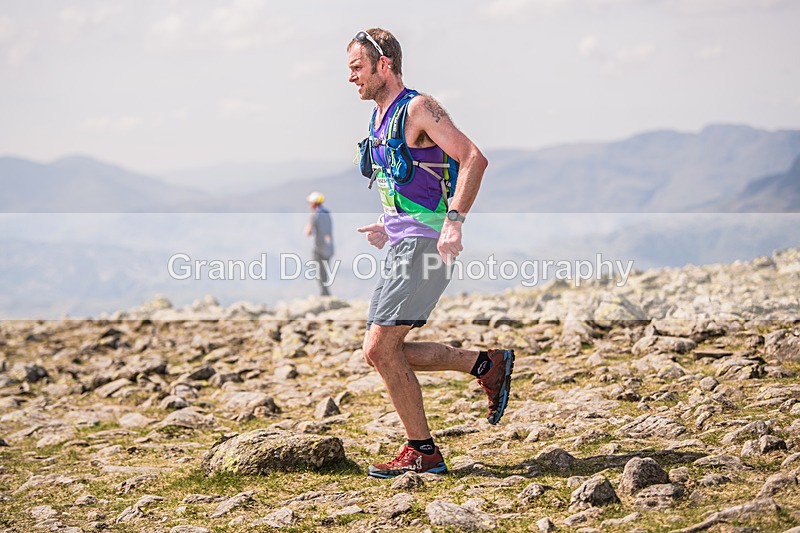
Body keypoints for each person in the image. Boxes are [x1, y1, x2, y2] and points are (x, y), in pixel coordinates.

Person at [347, 28, 515, 478]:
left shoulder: (418, 108)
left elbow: (473, 158)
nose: (351, 78)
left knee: (380, 350)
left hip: (424, 247)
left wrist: (454, 220)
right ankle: (484, 362)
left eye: (357, 68)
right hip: (404, 243)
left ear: (384, 65)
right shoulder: (380, 117)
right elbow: (412, 181)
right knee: (384, 350)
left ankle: (423, 451)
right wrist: (387, 223)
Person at [304, 191, 334, 296]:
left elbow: (308, 232)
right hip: (329, 248)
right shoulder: (327, 213)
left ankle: (324, 294)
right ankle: (325, 292)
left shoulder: (315, 215)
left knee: (319, 272)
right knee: (325, 271)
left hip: (319, 248)